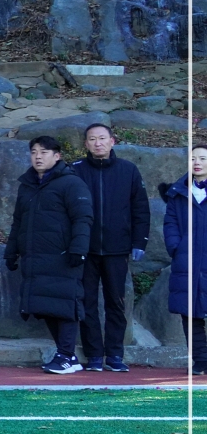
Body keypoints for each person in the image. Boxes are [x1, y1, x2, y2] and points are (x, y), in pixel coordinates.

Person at [7, 136, 94, 375]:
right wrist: (11, 250)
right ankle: (66, 355)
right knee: (45, 306)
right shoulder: (27, 185)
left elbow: (83, 218)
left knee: (65, 305)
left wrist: (79, 249)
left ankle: (66, 355)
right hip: (35, 258)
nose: (38, 156)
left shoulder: (71, 183)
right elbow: (18, 221)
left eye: (44, 152)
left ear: (57, 156)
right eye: (34, 151)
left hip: (64, 257)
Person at [71, 122, 149, 371]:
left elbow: (140, 209)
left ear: (112, 141)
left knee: (116, 302)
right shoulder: (75, 171)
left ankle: (115, 354)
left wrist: (139, 241)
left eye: (102, 138)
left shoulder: (128, 170)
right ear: (86, 144)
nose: (98, 143)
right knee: (87, 301)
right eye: (92, 139)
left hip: (117, 248)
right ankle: (94, 354)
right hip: (86, 249)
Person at [163, 142, 207, 375]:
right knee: (190, 315)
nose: (197, 163)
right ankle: (200, 361)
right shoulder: (178, 192)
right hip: (187, 262)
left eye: (202, 158)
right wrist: (176, 247)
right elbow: (170, 223)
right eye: (193, 159)